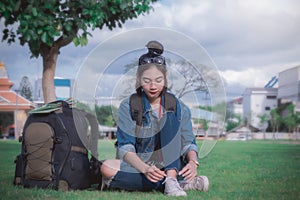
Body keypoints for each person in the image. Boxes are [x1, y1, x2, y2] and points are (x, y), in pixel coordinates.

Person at [100, 41, 209, 196]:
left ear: (165, 79)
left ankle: (171, 179)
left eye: (158, 80)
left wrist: (192, 162)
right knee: (107, 167)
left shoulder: (178, 105)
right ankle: (179, 183)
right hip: (140, 164)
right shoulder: (128, 105)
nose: (153, 86)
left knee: (170, 118)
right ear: (139, 79)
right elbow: (126, 148)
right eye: (147, 81)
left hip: (172, 164)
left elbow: (188, 142)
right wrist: (145, 169)